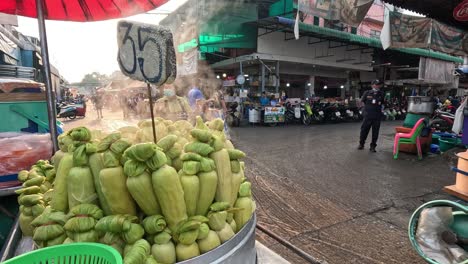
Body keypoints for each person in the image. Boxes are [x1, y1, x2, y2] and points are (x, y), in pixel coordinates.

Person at [358, 79, 384, 152]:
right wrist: (363, 111)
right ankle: (361, 144)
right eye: (376, 84)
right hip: (368, 115)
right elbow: (361, 102)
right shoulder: (367, 93)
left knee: (375, 132)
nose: (377, 86)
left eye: (379, 84)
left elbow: (382, 103)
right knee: (364, 130)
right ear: (372, 85)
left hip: (377, 116)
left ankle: (373, 146)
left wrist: (382, 110)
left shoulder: (381, 93)